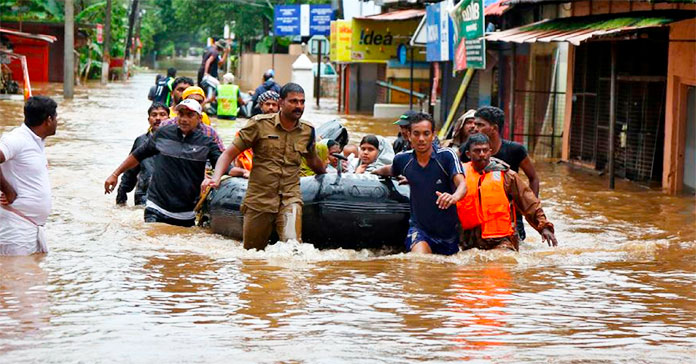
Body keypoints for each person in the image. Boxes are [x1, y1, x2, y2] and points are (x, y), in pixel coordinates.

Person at [204, 83, 326, 250]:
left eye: (302, 102)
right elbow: (228, 153)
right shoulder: (258, 125)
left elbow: (313, 160)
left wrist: (328, 175)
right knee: (253, 253)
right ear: (281, 102)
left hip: (290, 197)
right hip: (259, 199)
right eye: (294, 101)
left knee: (293, 249)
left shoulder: (307, 130)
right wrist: (216, 178)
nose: (299, 106)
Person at [104, 99, 222, 227]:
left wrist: (236, 173)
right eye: (181, 114)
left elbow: (223, 164)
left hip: (186, 213)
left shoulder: (206, 142)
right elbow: (137, 156)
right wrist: (115, 175)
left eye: (190, 115)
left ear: (199, 118)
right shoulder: (162, 134)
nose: (184, 119)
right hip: (155, 207)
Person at [373, 112, 466, 255]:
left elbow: (462, 185)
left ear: (433, 135)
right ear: (408, 135)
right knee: (420, 263)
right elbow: (390, 170)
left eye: (426, 133)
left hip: (448, 233)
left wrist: (454, 197)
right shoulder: (402, 159)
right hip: (420, 230)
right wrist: (370, 172)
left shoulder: (447, 156)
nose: (421, 139)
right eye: (416, 134)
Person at [457, 133, 557, 251]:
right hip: (467, 240)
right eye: (477, 151)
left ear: (490, 151)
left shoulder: (506, 175)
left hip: (500, 240)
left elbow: (529, 202)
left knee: (502, 262)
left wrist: (543, 227)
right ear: (468, 154)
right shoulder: (458, 174)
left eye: (485, 150)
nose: (482, 154)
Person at [459, 106, 540, 241]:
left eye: (480, 124)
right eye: (474, 124)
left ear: (494, 128)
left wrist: (529, 207)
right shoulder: (468, 151)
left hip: (511, 217)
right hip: (478, 219)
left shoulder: (515, 150)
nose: (475, 128)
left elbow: (533, 178)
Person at [0, 96, 58, 255]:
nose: (57, 121)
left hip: (32, 227)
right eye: (56, 117)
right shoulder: (17, 138)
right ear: (48, 120)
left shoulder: (36, 141)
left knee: (33, 277)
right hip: (16, 227)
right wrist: (7, 190)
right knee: (16, 277)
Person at [115, 102, 170, 206]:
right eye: (154, 115)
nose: (158, 118)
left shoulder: (176, 141)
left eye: (162, 115)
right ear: (149, 120)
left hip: (167, 197)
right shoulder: (141, 141)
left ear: (169, 118)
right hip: (144, 197)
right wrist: (121, 196)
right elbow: (130, 171)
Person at [228, 90, 281, 178]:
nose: (271, 107)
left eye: (274, 104)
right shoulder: (254, 123)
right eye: (267, 104)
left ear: (279, 107)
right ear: (261, 106)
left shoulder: (283, 126)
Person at [198, 39, 230, 104]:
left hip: (201, 72)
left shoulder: (208, 49)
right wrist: (206, 73)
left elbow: (219, 63)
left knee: (202, 92)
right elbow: (208, 61)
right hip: (209, 75)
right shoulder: (215, 52)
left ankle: (202, 107)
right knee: (212, 92)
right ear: (221, 48)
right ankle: (204, 105)